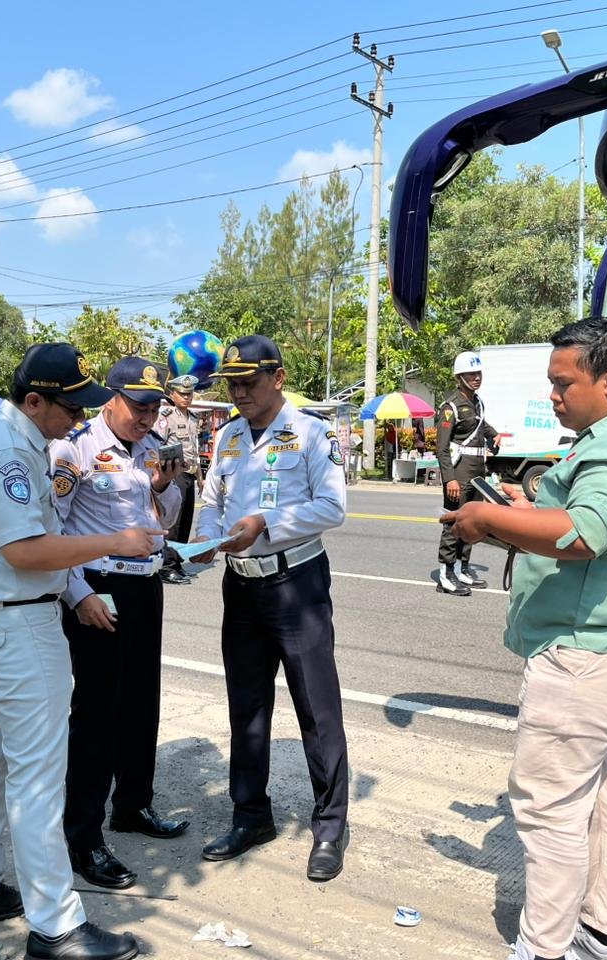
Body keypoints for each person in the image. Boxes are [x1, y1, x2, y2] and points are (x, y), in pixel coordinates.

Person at [441, 318, 607, 960]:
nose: (552, 395)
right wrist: (521, 509)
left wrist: (489, 518)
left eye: (563, 383)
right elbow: (579, 515)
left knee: (548, 805)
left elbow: (585, 534)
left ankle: (543, 948)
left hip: (587, 655)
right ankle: (603, 932)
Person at [0, 343, 157, 960]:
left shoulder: (11, 441)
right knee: (37, 780)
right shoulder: (7, 452)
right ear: (34, 401)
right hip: (16, 627)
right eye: (71, 408)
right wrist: (115, 541)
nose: (79, 419)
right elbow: (27, 550)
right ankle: (56, 925)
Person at [193, 335, 351, 882]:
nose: (239, 393)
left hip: (296, 585)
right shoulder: (229, 436)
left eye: (249, 382)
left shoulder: (311, 432)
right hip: (240, 588)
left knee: (317, 708)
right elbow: (212, 501)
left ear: (278, 378)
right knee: (247, 708)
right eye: (232, 385)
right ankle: (250, 816)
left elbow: (332, 507)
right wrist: (206, 537)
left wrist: (267, 524)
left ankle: (329, 826)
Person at [49, 357, 188, 892]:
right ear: (112, 398)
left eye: (155, 407)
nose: (147, 416)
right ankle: (82, 836)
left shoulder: (153, 447)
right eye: (138, 406)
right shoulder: (75, 448)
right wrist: (79, 595)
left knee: (140, 702)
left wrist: (163, 485)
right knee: (97, 713)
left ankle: (133, 805)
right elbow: (53, 530)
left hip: (145, 585)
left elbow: (164, 521)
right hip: (97, 589)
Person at [435, 351, 500, 596]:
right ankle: (446, 574)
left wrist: (494, 434)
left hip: (477, 471)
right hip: (459, 472)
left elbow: (479, 424)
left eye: (478, 373)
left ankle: (462, 568)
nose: (476, 377)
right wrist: (449, 478)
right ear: (459, 377)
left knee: (472, 524)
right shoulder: (450, 407)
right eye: (471, 374)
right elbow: (441, 448)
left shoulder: (477, 403)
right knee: (454, 522)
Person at [155, 374, 201, 584]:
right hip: (174, 473)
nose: (186, 397)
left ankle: (177, 562)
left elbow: (195, 450)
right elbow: (157, 445)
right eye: (182, 394)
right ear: (172, 394)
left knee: (185, 521)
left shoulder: (192, 418)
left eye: (189, 393)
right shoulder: (166, 416)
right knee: (173, 522)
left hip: (189, 473)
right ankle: (166, 566)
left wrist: (200, 477)